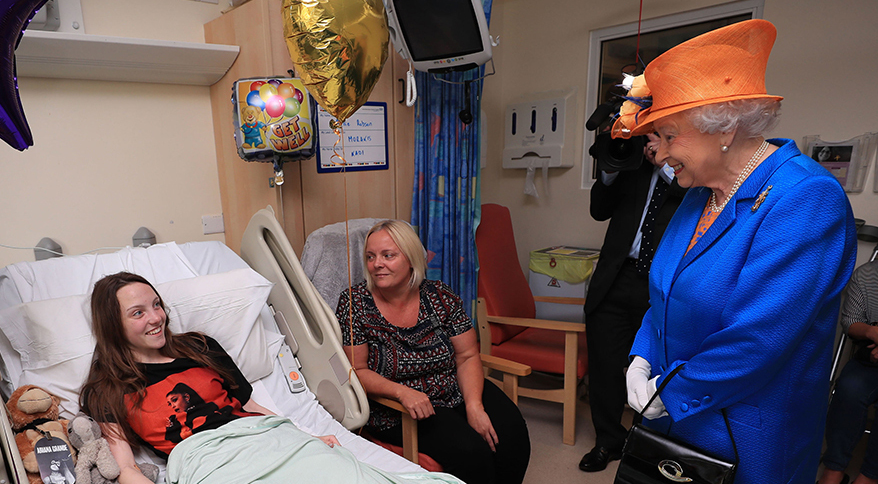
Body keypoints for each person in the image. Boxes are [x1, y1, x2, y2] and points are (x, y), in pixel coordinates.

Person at [610, 19, 857, 484]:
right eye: (655, 138)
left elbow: (758, 338)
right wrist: (642, 356)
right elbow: (664, 294)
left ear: (723, 127)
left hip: (747, 433)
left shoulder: (806, 199)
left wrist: (670, 389)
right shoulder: (700, 192)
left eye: (667, 135)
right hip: (677, 412)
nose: (659, 155)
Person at [79, 272, 466, 484]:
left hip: (268, 437)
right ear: (113, 323)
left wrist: (307, 437)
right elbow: (126, 465)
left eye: (157, 305)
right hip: (208, 461)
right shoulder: (107, 386)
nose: (156, 317)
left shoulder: (199, 346)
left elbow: (249, 405)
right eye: (138, 313)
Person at [335, 220, 530, 484]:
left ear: (411, 258)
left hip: (455, 388)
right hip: (400, 406)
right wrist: (402, 392)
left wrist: (474, 406)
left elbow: (467, 355)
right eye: (370, 257)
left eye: (388, 255)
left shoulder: (440, 295)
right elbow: (357, 371)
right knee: (472, 453)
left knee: (512, 434)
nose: (377, 264)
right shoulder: (354, 302)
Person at [578, 132, 686, 472]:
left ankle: (649, 444)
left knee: (656, 367)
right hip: (615, 277)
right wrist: (610, 167)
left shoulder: (686, 171)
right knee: (605, 367)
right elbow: (599, 210)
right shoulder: (630, 165)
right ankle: (608, 440)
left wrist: (667, 164)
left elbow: (693, 202)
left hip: (662, 284)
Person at [819, 258, 878, 484]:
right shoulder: (866, 275)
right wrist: (872, 333)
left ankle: (869, 477)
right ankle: (833, 470)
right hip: (870, 357)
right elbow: (850, 321)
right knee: (849, 389)